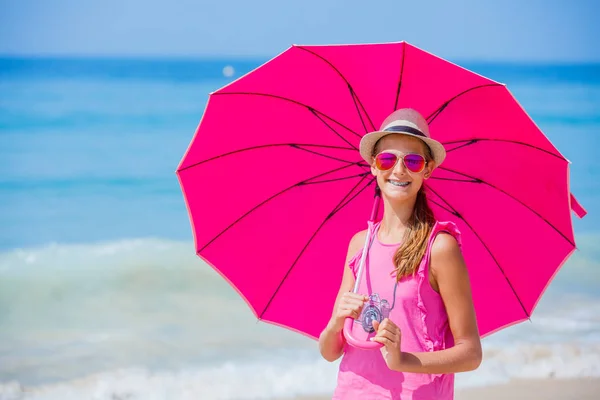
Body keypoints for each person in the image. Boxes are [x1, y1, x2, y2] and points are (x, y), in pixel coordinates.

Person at [318, 108, 482, 399]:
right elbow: (330, 352)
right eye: (387, 159)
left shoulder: (440, 247)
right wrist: (336, 321)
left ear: (427, 170)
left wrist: (403, 359)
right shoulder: (360, 244)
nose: (399, 170)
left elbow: (470, 353)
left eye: (413, 161)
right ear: (373, 166)